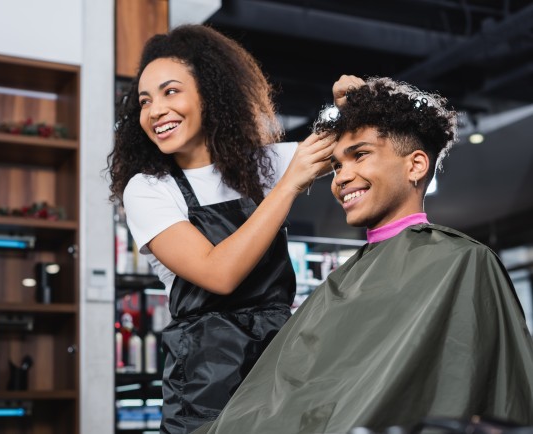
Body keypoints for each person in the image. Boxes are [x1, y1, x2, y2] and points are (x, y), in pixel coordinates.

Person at [193, 76, 533, 434]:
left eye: (361, 155)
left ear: (415, 165)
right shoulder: (344, 281)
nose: (341, 177)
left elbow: (495, 393)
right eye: (337, 165)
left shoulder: (463, 263)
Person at [108, 25, 348, 434]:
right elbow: (218, 273)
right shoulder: (148, 189)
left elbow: (362, 143)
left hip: (278, 364)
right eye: (144, 101)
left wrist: (356, 103)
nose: (155, 111)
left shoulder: (265, 163)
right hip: (205, 383)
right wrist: (289, 184)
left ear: (211, 93)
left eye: (170, 92)